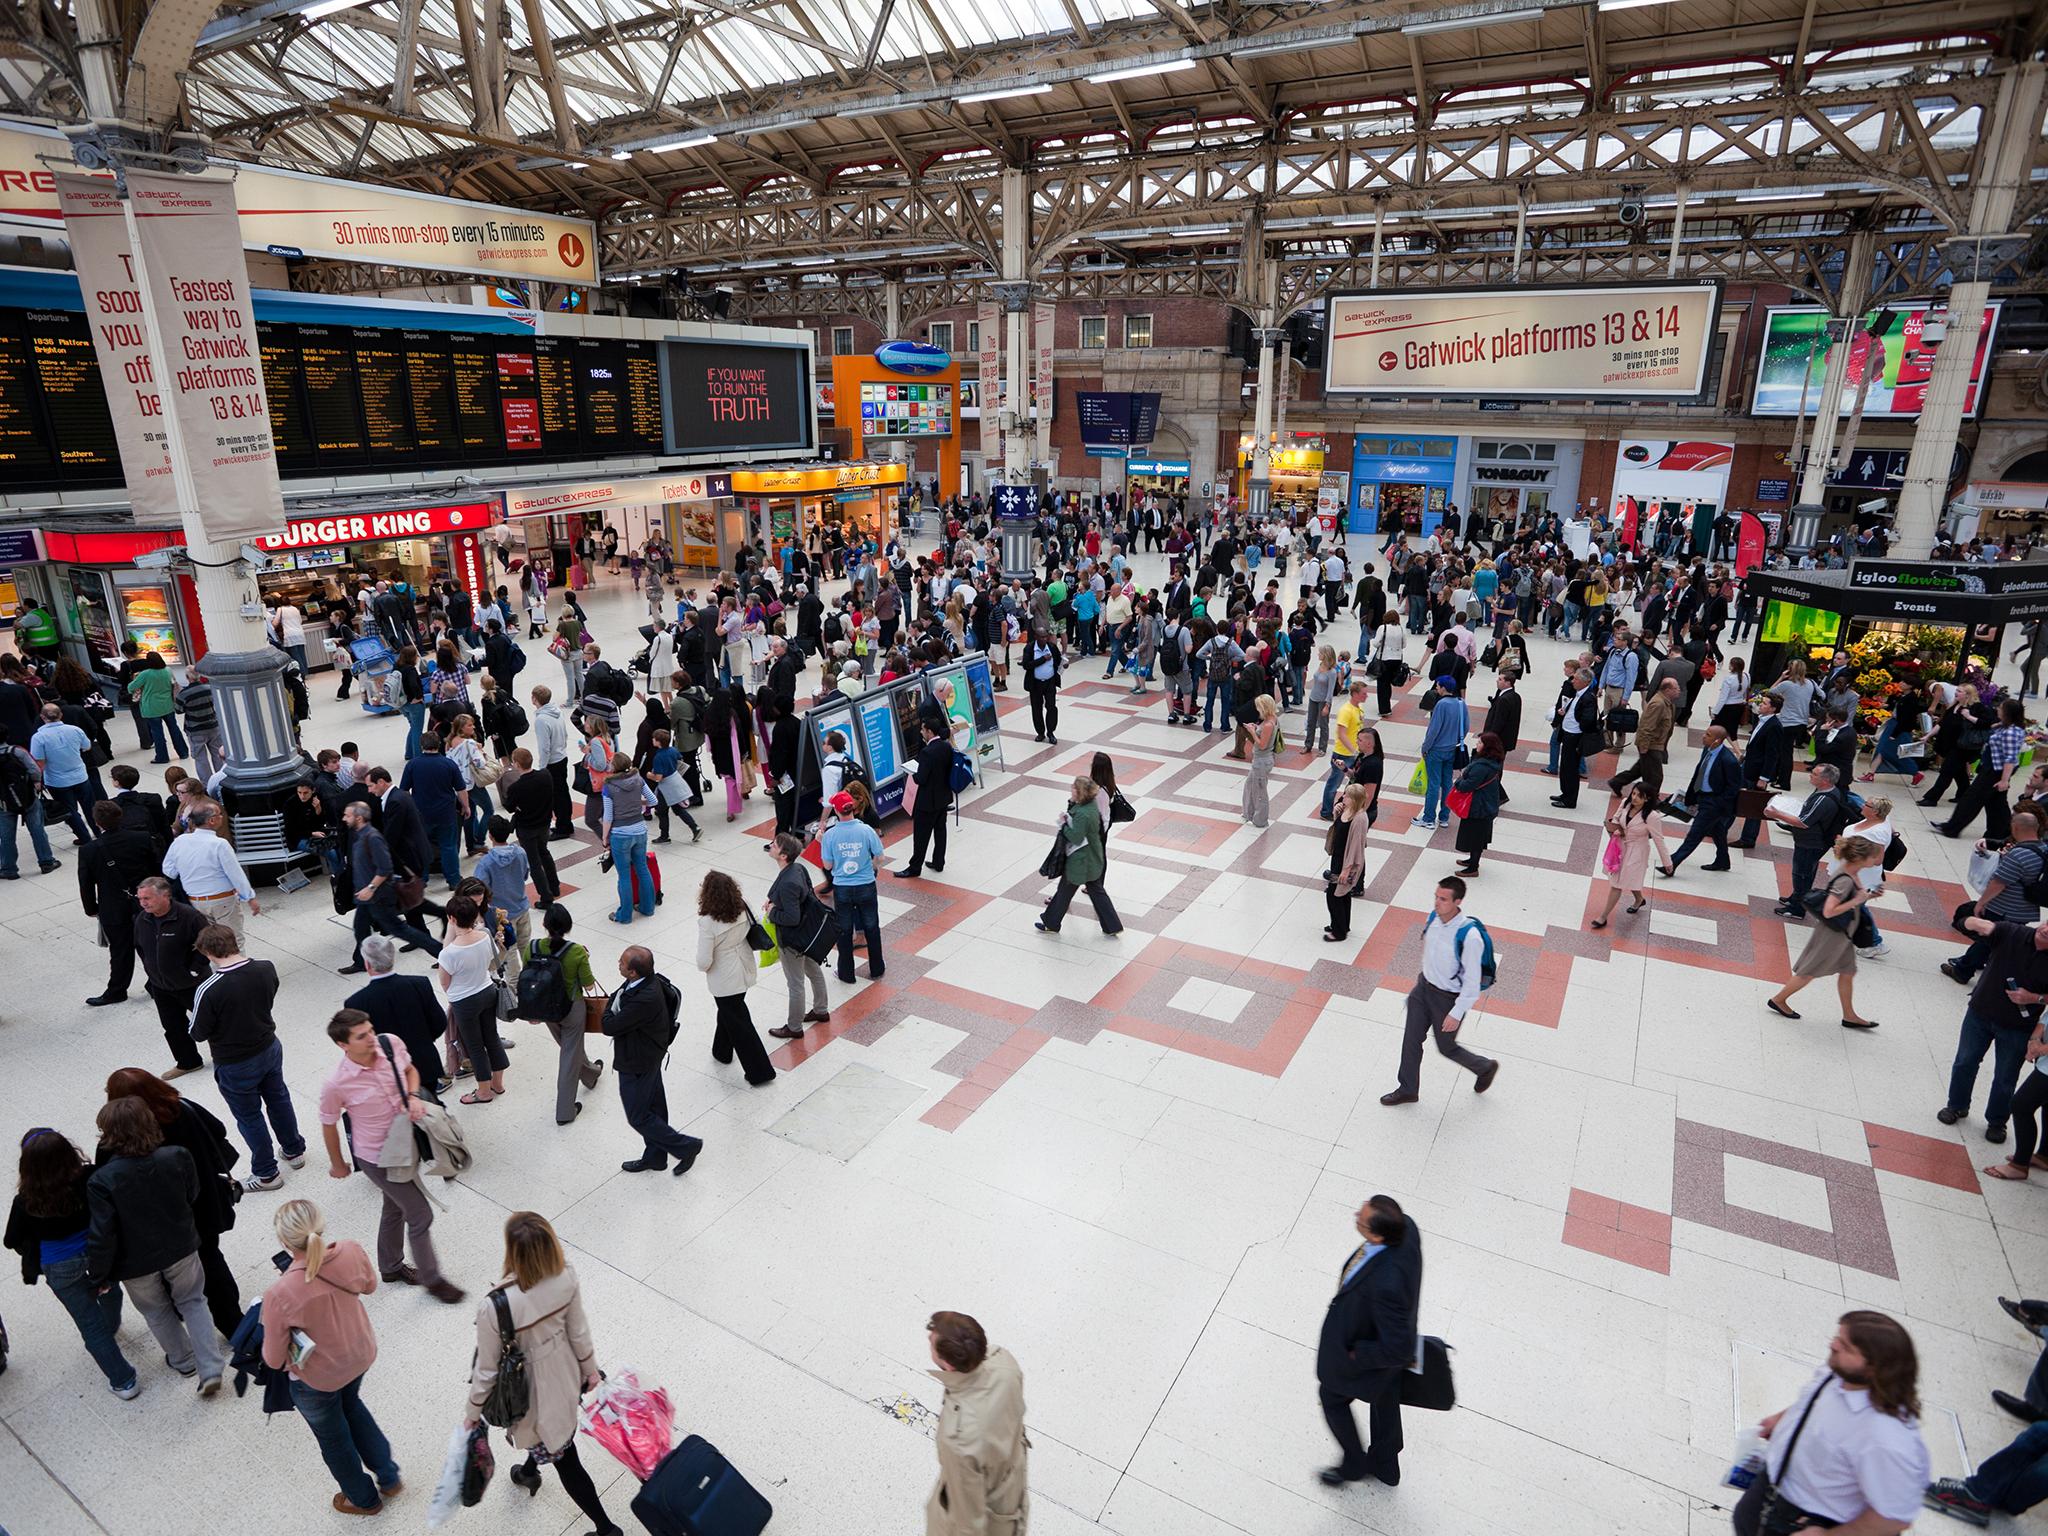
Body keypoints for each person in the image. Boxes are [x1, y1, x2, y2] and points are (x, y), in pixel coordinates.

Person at [464, 1213, 623, 1536]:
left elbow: (487, 1369)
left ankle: (607, 1529)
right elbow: (578, 1330)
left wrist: (472, 1412)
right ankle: (528, 1471)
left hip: (528, 1393)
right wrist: (590, 1370)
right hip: (565, 1373)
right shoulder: (565, 1275)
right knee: (553, 1437)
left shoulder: (495, 1305)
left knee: (565, 1456)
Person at [260, 1199, 402, 1515]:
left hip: (317, 1378)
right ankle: (390, 1477)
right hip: (359, 1354)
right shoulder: (350, 1249)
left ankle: (363, 1499)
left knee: (334, 1439)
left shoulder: (279, 1293)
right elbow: (370, 1285)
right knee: (352, 1404)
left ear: (284, 1242)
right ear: (321, 1226)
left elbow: (272, 1359)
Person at [1733, 1312, 1928, 1536]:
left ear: (1874, 1368)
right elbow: (1813, 1401)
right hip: (1771, 1491)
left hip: (1805, 1520)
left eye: (1846, 1346)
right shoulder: (1840, 1374)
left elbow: (1893, 1518)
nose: (1833, 1345)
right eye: (1838, 1337)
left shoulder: (1885, 1439)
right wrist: (1782, 1419)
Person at [317, 1009, 465, 1303]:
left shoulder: (389, 1044)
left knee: (395, 1206)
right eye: (362, 1036)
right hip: (376, 1157)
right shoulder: (337, 1083)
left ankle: (390, 1266)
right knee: (420, 1213)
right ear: (343, 1045)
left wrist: (411, 1096)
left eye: (371, 1030)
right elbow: (328, 1122)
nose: (371, 1038)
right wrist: (337, 1163)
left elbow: (410, 1070)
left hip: (405, 1144)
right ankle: (433, 1279)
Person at [84, 1096, 225, 1395]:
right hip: (182, 1244)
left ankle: (183, 1360)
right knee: (193, 1301)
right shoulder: (177, 1156)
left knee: (156, 1310)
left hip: (134, 1262)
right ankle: (211, 1368)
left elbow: (102, 1235)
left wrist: (98, 1274)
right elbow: (192, 1193)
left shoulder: (101, 1181)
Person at [99, 1068, 243, 1337]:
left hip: (162, 1223)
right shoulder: (182, 1108)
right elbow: (218, 1130)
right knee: (212, 1261)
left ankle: (184, 1313)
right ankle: (233, 1322)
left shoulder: (119, 1140)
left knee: (173, 1275)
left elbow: (106, 1181)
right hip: (205, 1205)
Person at [5, 1128, 138, 1397]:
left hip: (60, 1266)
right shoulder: (88, 1177)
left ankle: (124, 1382)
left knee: (90, 1325)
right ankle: (112, 1324)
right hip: (100, 1253)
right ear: (68, 1152)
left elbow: (11, 1240)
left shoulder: (25, 1201)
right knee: (111, 1289)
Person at [189, 923, 307, 1190]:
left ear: (208, 953)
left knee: (250, 1116)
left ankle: (266, 1174)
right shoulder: (266, 967)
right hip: (269, 1046)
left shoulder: (209, 989)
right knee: (279, 1098)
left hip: (235, 1062)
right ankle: (293, 1150)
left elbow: (197, 1032)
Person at [1315, 1194, 1422, 1488]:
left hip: (1369, 1350)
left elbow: (1397, 1348)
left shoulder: (1386, 1282)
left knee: (1331, 1398)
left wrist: (1356, 1356)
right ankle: (1386, 1463)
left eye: (1360, 1220)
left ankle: (1354, 1464)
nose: (1355, 1217)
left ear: (1377, 1234)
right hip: (1381, 1334)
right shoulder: (1407, 1228)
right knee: (1384, 1393)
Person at [1380, 876, 1499, 1104]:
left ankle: (1484, 1067)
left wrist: (1456, 1012)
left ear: (1458, 901)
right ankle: (1408, 1089)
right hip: (1423, 989)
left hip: (1447, 998)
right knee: (1411, 1040)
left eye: (1443, 899)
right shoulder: (1434, 917)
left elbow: (1472, 984)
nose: (1437, 902)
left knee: (1446, 1047)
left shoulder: (1470, 937)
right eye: (1436, 896)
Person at [1941, 910, 2048, 1156]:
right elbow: (1967, 925)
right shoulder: (2013, 933)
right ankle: (1956, 1106)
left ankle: (1997, 1121)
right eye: (2046, 925)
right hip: (1980, 1013)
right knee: (1965, 1061)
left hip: (2019, 1026)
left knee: (2005, 1075)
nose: (2045, 930)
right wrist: (1972, 922)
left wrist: (2033, 997)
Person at [925, 1310, 1029, 1536]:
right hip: (1011, 1489)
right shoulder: (1005, 1363)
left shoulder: (958, 1440)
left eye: (932, 1343)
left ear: (949, 1366)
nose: (929, 1338)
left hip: (988, 1515)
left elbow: (967, 1520)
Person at [1765, 835, 1883, 1027]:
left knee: (1848, 971)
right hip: (1833, 934)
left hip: (1842, 933)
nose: (1876, 860)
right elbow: (1829, 911)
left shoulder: (1851, 872)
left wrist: (1867, 895)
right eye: (1872, 857)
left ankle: (1849, 1015)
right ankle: (1779, 999)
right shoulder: (1845, 879)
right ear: (1860, 858)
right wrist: (1857, 900)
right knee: (1808, 971)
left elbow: (1853, 897)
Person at [603, 946, 701, 1175]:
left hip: (637, 1060)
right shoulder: (647, 980)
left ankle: (687, 1146)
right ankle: (656, 1157)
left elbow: (608, 1025)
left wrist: (609, 1009)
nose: (618, 962)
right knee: (655, 1107)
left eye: (622, 962)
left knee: (638, 1116)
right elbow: (617, 998)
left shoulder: (644, 999)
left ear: (633, 972)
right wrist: (614, 1004)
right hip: (650, 1053)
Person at [524, 906, 606, 1125]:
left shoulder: (531, 947)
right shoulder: (576, 951)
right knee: (569, 1055)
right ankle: (565, 1111)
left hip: (545, 1008)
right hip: (571, 1009)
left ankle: (590, 1074)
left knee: (570, 1048)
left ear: (545, 925)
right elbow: (589, 986)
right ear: (568, 927)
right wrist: (584, 958)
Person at [338, 801, 442, 972]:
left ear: (359, 817)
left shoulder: (373, 838)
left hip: (378, 897)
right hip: (366, 899)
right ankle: (361, 962)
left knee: (401, 930)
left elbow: (385, 868)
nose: (344, 818)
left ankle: (441, 953)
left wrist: (370, 888)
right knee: (360, 930)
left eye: (347, 815)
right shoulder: (361, 836)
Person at [697, 870, 777, 1087]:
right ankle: (721, 1051)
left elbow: (704, 961)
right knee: (731, 1011)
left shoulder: (707, 921)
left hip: (724, 977)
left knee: (740, 1022)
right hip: (744, 965)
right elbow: (758, 922)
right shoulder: (743, 904)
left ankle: (760, 1071)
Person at [345, 935, 449, 1096]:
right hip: (425, 1063)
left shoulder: (356, 1003)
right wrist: (423, 1041)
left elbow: (360, 1046)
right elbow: (440, 1022)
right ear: (392, 958)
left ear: (367, 964)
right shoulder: (419, 984)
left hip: (387, 1073)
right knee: (430, 1108)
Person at [78, 799, 159, 1006]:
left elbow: (86, 884)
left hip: (112, 907)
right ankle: (156, 984)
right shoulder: (141, 838)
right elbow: (156, 870)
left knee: (120, 951)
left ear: (97, 823)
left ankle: (117, 990)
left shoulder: (89, 850)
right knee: (149, 946)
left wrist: (91, 909)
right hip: (145, 903)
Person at [438, 895, 507, 1105]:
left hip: (464, 1002)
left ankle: (484, 1091)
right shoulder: (485, 936)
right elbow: (492, 961)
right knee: (492, 1038)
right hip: (487, 991)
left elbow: (445, 984)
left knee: (475, 1046)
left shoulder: (448, 953)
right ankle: (498, 1083)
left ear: (451, 919)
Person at [1036, 775, 1121, 936]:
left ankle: (1051, 922)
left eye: (1074, 788)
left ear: (1080, 792)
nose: (1071, 789)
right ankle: (1112, 925)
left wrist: (1063, 825)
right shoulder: (1089, 807)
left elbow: (1076, 837)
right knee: (1097, 892)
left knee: (1064, 891)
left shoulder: (1083, 813)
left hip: (1080, 861)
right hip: (1092, 858)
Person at [766, 832, 831, 1040]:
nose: (771, 846)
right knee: (813, 969)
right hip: (807, 934)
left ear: (783, 855)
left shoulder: (788, 883)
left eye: (774, 845)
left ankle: (794, 1027)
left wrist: (771, 912)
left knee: (795, 983)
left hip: (793, 939)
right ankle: (821, 1010)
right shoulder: (798, 868)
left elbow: (791, 917)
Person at [160, 804, 258, 940]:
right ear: (211, 820)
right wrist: (249, 897)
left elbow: (169, 870)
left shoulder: (180, 842)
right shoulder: (219, 844)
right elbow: (235, 874)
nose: (222, 817)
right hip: (223, 900)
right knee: (233, 941)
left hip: (195, 901)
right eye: (219, 814)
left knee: (209, 943)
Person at [1767, 763, 1851, 921]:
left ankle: (1797, 908)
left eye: (1814, 774)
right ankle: (1796, 898)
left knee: (1802, 874)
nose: (1810, 775)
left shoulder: (1823, 799)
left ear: (1825, 780)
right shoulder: (1828, 791)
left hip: (1811, 843)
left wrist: (1776, 813)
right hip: (1811, 840)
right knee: (1805, 872)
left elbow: (1804, 822)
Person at [820, 791, 887, 983]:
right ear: (853, 808)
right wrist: (872, 867)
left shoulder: (830, 835)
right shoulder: (866, 831)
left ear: (836, 810)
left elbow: (828, 866)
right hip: (866, 884)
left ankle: (846, 973)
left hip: (842, 888)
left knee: (844, 930)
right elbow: (880, 857)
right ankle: (877, 967)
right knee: (872, 926)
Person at [1940, 694, 2027, 842]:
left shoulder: (2012, 732)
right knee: (1996, 802)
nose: (1997, 709)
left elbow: (2010, 758)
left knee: (1972, 798)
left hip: (1996, 770)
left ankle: (1952, 827)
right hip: (1991, 765)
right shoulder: (2004, 726)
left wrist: (2004, 781)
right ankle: (2000, 832)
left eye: (2001, 708)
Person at [1589, 782, 1673, 928]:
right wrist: (1618, 828)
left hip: (1637, 852)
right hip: (1620, 848)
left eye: (1639, 796)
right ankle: (1639, 899)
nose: (1634, 798)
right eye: (1633, 793)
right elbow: (1615, 818)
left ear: (1647, 799)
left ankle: (1603, 917)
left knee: (1618, 884)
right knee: (1626, 878)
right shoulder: (1625, 803)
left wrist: (1668, 863)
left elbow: (1659, 840)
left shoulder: (1652, 817)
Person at [1666, 726, 1742, 874]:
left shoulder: (1728, 760)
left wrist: (1719, 803)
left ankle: (1672, 863)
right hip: (1703, 796)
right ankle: (1723, 861)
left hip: (1714, 803)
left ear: (1717, 740)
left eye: (1707, 735)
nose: (1703, 736)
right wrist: (1691, 796)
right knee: (1718, 830)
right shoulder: (1708, 751)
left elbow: (1733, 788)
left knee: (1694, 835)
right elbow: (1699, 774)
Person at [400, 732, 469, 891]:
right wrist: (466, 807)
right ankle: (453, 879)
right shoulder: (448, 764)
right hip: (445, 813)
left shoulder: (412, 765)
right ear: (438, 744)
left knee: (421, 846)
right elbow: (461, 789)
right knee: (448, 846)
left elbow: (404, 790)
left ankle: (422, 879)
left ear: (421, 746)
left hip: (421, 815)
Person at [29, 702, 97, 848]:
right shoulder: (75, 730)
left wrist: (37, 780)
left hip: (57, 781)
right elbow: (87, 746)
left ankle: (84, 838)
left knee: (69, 811)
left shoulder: (38, 738)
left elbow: (38, 762)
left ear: (42, 717)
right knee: (90, 806)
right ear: (61, 715)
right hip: (80, 776)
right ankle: (98, 832)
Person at [901, 715, 955, 877]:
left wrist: (913, 773)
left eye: (923, 730)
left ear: (930, 732)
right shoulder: (946, 747)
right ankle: (939, 862)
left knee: (921, 836)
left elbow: (921, 778)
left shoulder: (927, 752)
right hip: (943, 797)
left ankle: (915, 867)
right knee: (940, 831)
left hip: (927, 802)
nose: (921, 732)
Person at [1450, 731, 1507, 876]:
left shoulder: (1482, 767)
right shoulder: (1492, 762)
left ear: (1488, 747)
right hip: (1486, 805)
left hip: (1479, 807)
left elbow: (1466, 785)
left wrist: (1459, 781)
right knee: (1478, 836)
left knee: (1475, 837)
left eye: (1480, 743)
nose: (1477, 744)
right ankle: (1472, 860)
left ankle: (1473, 868)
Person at [1323, 783, 1372, 942]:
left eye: (1347, 796)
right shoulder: (1346, 810)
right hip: (1338, 857)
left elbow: (1356, 846)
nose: (1343, 797)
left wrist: (1347, 869)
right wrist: (1336, 814)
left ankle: (1339, 932)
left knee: (1334, 894)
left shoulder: (1359, 818)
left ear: (1355, 800)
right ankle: (1341, 924)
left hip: (1347, 861)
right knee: (1343, 894)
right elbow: (1339, 830)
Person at [1550, 665, 1599, 810]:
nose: (1573, 681)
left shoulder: (1588, 698)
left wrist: (1577, 724)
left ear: (1585, 682)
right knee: (1565, 767)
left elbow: (1588, 720)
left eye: (1576, 679)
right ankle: (1565, 793)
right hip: (1567, 733)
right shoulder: (1578, 693)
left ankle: (1570, 799)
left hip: (1575, 736)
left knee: (1571, 768)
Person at [126, 653, 187, 763]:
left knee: (157, 733)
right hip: (168, 705)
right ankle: (183, 752)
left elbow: (131, 687)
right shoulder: (168, 670)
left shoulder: (145, 674)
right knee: (174, 729)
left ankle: (162, 757)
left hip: (151, 708)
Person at [1321, 681, 1368, 820]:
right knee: (1333, 784)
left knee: (1352, 783)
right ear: (1355, 694)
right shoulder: (1346, 711)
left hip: (1352, 753)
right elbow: (1341, 734)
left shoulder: (1358, 708)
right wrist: (1354, 751)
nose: (1366, 696)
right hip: (1343, 753)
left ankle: (1349, 808)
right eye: (1363, 693)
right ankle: (1326, 811)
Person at [1243, 694, 1281, 828]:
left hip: (1262, 760)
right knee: (1249, 785)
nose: (1257, 710)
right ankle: (1249, 813)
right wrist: (1256, 728)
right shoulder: (1272, 719)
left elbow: (1262, 744)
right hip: (1262, 759)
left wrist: (1253, 732)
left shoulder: (1268, 724)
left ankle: (1260, 820)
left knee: (1260, 792)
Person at [1023, 628, 1063, 744]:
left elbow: (1059, 661)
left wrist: (1063, 666)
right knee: (1036, 709)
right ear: (1036, 637)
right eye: (1042, 637)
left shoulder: (1052, 647)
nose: (1044, 639)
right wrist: (1042, 659)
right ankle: (1040, 732)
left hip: (1050, 682)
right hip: (1035, 683)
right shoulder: (1030, 648)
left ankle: (1051, 732)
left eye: (1046, 636)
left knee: (1051, 707)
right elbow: (1026, 665)